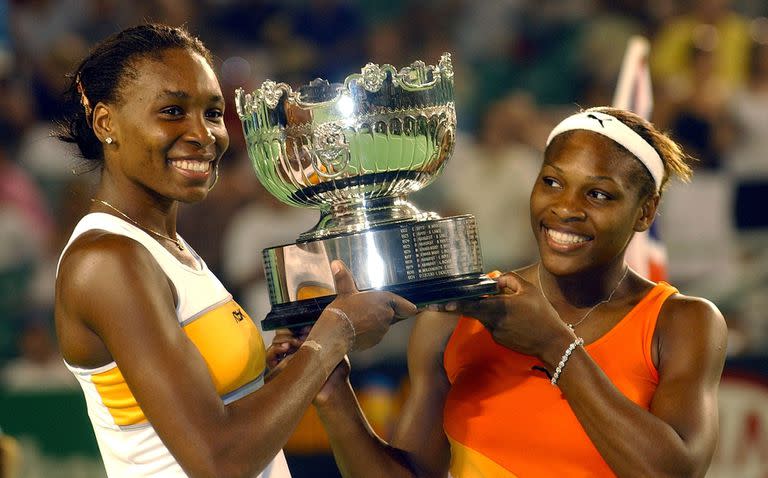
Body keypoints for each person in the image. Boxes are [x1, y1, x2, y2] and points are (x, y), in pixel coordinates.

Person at [271, 106, 728, 476]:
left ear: (645, 212)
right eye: (552, 182)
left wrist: (555, 347)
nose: (565, 208)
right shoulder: (457, 314)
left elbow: (675, 471)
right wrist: (332, 394)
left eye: (599, 195)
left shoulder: (682, 322)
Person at [53, 24, 416, 478]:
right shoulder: (108, 260)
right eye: (172, 111)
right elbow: (218, 460)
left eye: (212, 112)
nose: (203, 134)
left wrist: (288, 365)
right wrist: (334, 333)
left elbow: (219, 410)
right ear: (106, 123)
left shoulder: (166, 247)